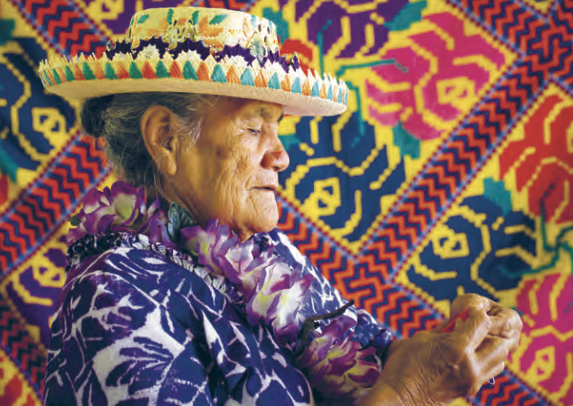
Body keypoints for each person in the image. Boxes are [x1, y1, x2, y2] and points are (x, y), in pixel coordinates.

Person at [40, 6, 522, 406]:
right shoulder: (113, 295)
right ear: (167, 138)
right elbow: (399, 386)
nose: (282, 155)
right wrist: (410, 392)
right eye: (253, 126)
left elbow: (380, 365)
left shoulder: (263, 258)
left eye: (278, 127)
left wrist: (460, 343)